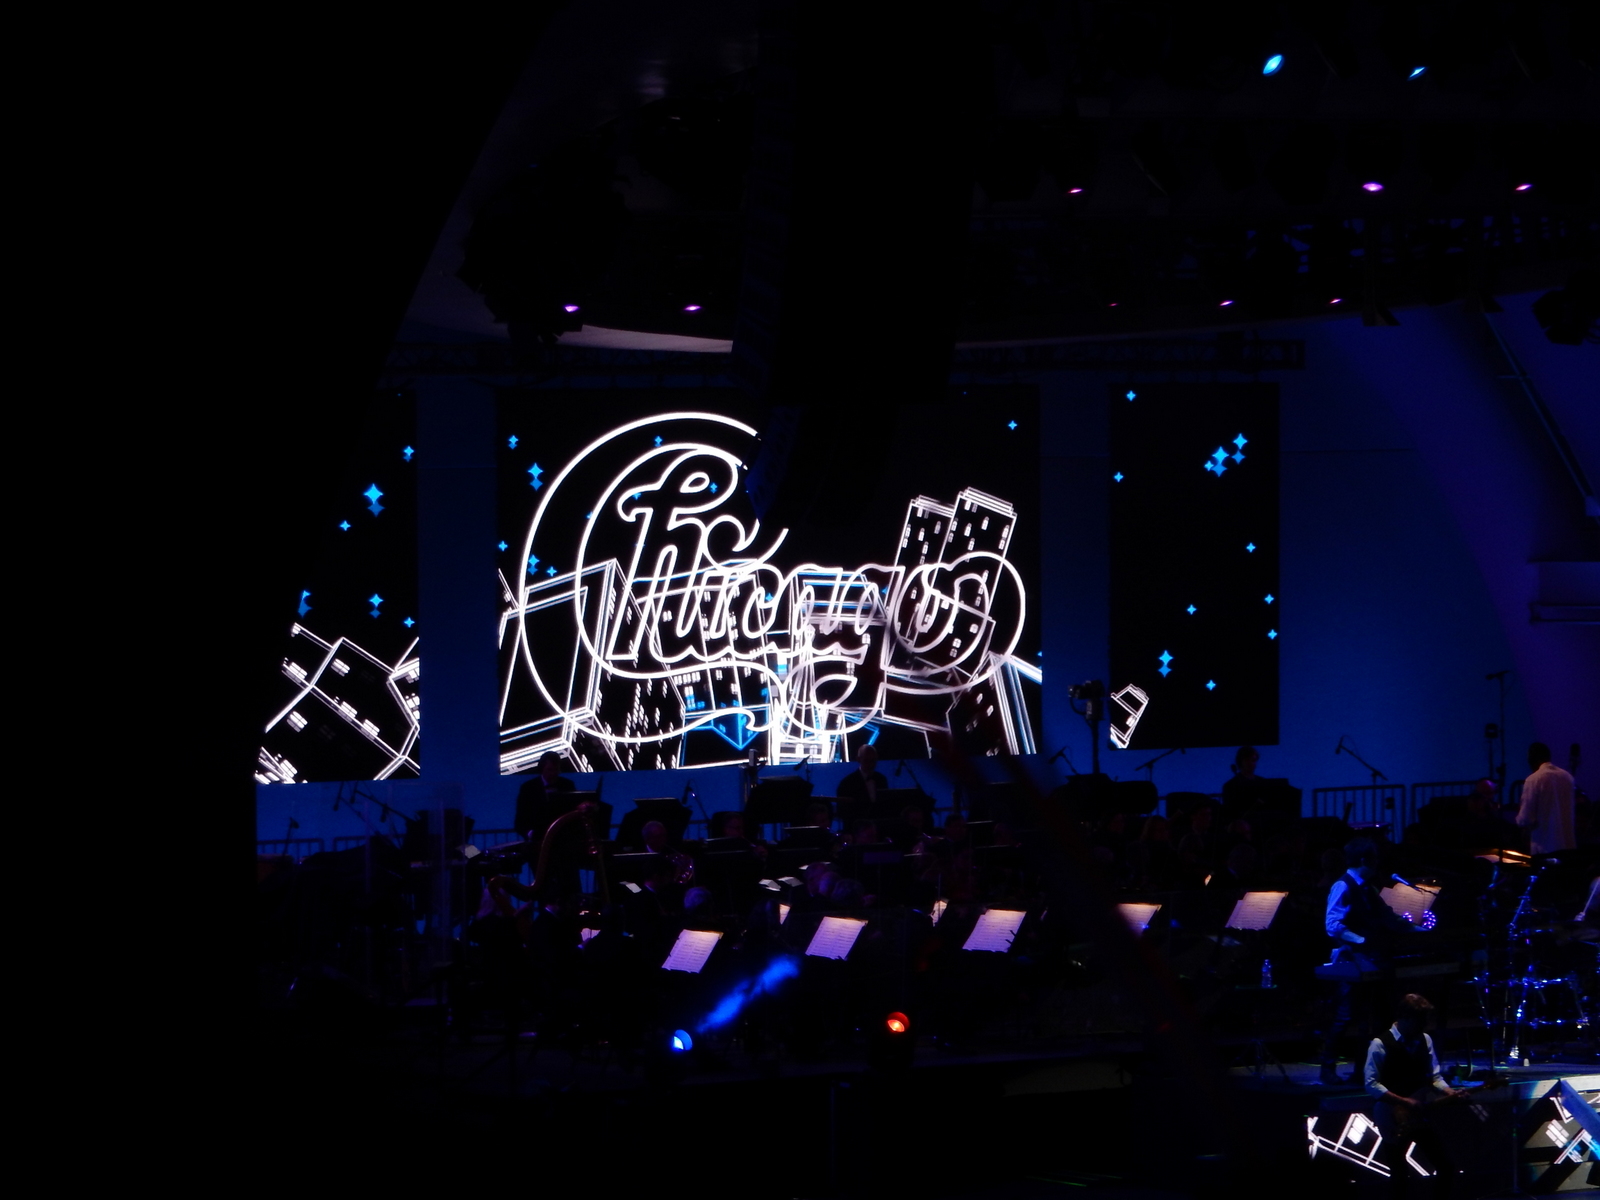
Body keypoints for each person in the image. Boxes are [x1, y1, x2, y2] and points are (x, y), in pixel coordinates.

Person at [1318, 837, 1422, 1085]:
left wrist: (1417, 930)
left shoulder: (1368, 888)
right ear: (1364, 860)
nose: (1378, 864)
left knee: (1372, 1016)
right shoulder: (1343, 886)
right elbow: (1333, 925)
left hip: (1371, 958)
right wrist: (1361, 940)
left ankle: (1363, 1070)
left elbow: (1388, 916)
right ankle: (1327, 1068)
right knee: (1345, 1015)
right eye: (1375, 859)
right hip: (1351, 959)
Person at [1363, 994, 1466, 1198]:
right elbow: (1371, 1084)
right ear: (1405, 1017)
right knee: (1400, 1175)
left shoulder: (1425, 1039)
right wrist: (1403, 1101)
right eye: (1420, 1021)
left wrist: (1448, 1091)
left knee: (1445, 1166)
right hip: (1391, 1116)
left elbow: (1434, 1076)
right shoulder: (1380, 1044)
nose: (1424, 1026)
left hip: (1418, 1115)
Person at [1517, 742, 1576, 855]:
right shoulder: (1568, 777)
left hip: (1544, 847)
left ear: (1532, 759)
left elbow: (1526, 818)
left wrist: (1517, 821)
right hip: (1568, 845)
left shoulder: (1533, 779)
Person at [513, 751, 576, 840]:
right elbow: (520, 819)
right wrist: (531, 834)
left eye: (556, 770)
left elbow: (572, 812)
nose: (553, 773)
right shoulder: (528, 788)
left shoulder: (567, 785)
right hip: (537, 840)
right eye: (550, 769)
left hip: (563, 838)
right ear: (541, 769)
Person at [836, 744, 888, 809]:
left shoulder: (882, 780)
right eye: (867, 760)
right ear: (858, 759)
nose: (870, 764)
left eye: (873, 760)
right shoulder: (846, 784)